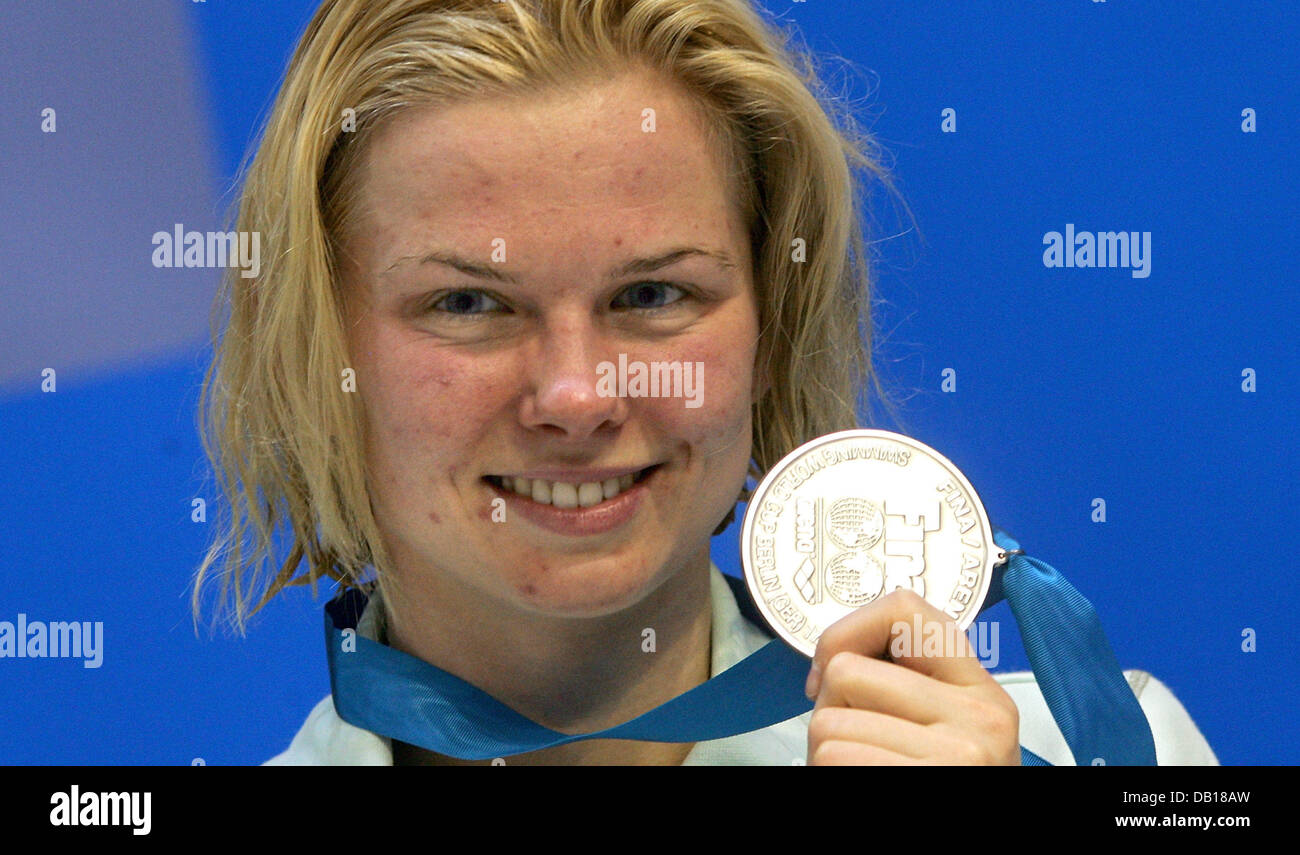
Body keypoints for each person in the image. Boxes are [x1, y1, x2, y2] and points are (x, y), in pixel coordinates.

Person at [192, 0, 1216, 766]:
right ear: (318, 352)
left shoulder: (1124, 754)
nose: (579, 395)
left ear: (771, 323)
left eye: (651, 292)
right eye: (468, 304)